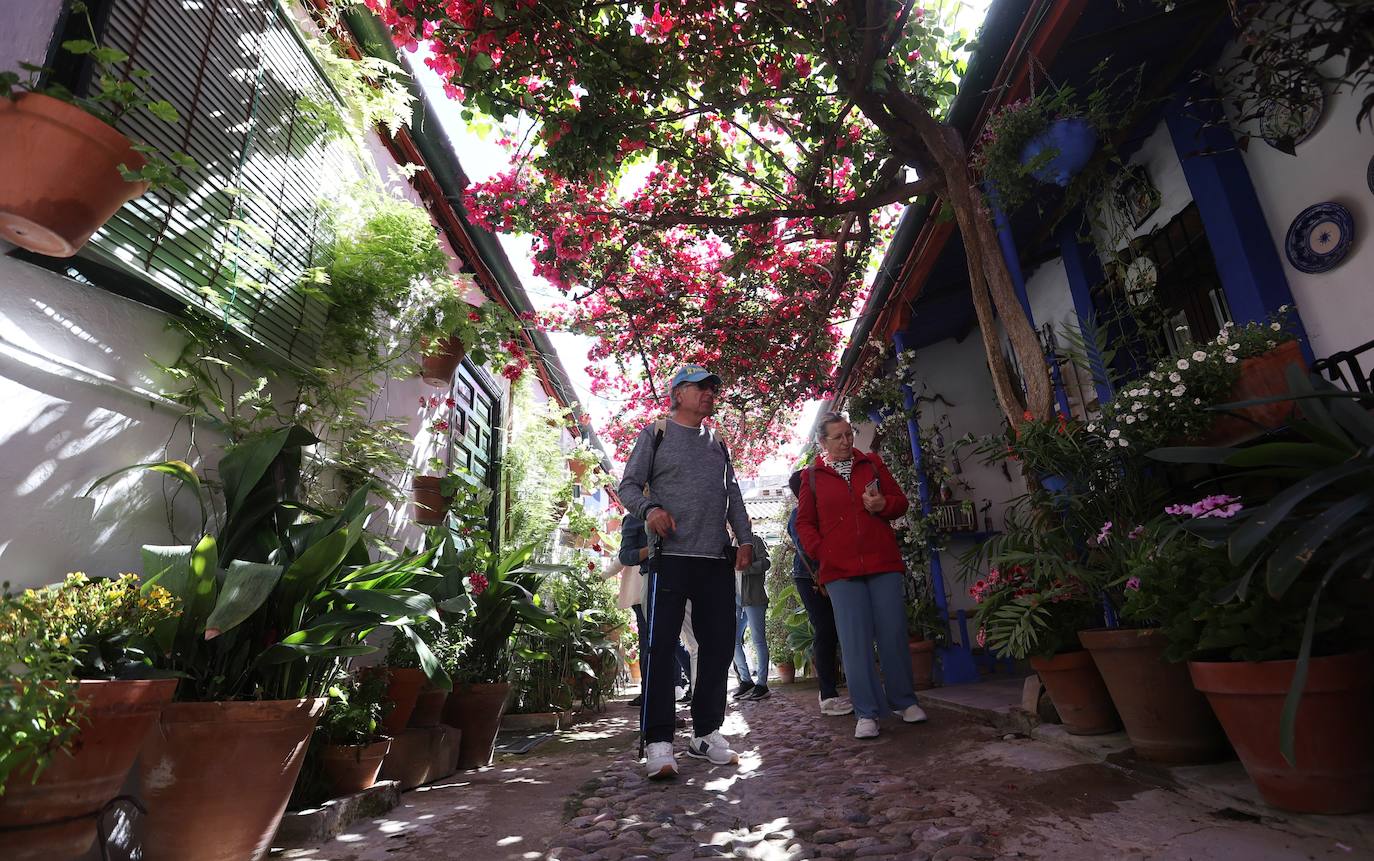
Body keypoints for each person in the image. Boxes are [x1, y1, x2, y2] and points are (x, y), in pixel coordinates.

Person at [619, 365, 755, 779]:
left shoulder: (718, 443)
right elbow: (628, 486)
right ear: (678, 393)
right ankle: (659, 741)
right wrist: (650, 510)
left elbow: (732, 494)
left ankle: (706, 733)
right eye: (700, 387)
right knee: (661, 649)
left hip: (715, 559)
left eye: (713, 388)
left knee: (719, 647)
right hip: (670, 559)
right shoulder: (655, 434)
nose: (710, 393)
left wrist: (745, 539)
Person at [795, 412, 928, 739]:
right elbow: (804, 524)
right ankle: (866, 712)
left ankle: (904, 701)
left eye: (848, 434)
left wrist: (882, 505)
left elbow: (900, 503)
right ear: (823, 442)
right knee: (854, 642)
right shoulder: (811, 477)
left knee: (893, 633)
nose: (846, 441)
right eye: (837, 437)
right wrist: (822, 552)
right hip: (840, 571)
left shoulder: (871, 464)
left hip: (882, 562)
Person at [786, 470, 853, 717]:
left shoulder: (817, 510)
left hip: (828, 575)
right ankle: (827, 695)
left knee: (835, 630)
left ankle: (839, 690)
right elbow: (809, 548)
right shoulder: (799, 515)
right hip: (812, 579)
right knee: (825, 631)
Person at [615, 515, 695, 709]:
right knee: (656, 645)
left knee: (694, 643)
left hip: (686, 579)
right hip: (652, 581)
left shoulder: (677, 510)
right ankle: (659, 708)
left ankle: (700, 704)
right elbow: (625, 556)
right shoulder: (633, 518)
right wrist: (651, 550)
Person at [732, 535, 772, 701]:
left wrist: (745, 568)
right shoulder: (729, 542)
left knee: (758, 641)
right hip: (736, 599)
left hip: (754, 598)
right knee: (732, 640)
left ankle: (762, 684)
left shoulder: (755, 540)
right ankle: (746, 680)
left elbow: (766, 562)